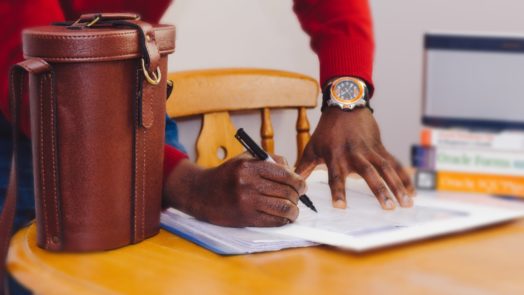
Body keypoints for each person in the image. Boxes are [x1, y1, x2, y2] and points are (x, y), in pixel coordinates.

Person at [1, 0, 415, 230]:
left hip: (134, 98)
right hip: (28, 116)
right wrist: (189, 186)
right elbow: (27, 76)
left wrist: (347, 97)